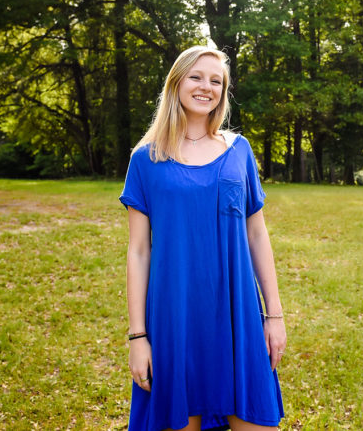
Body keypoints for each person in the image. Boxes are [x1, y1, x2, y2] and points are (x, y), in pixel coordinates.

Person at [120, 46, 286, 431]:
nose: (206, 87)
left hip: (237, 312)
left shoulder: (239, 151)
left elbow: (257, 235)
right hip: (174, 318)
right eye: (196, 77)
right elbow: (139, 251)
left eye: (216, 81)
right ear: (176, 83)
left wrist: (274, 315)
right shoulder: (146, 159)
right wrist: (138, 337)